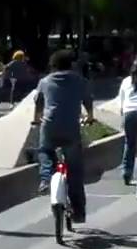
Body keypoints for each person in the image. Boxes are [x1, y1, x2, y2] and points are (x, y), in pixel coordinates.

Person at [32, 50, 94, 221]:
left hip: (49, 126)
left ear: (53, 65)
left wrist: (36, 120)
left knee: (44, 150)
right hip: (71, 129)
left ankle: (45, 179)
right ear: (71, 65)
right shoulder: (80, 81)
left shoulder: (44, 81)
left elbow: (38, 102)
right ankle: (79, 212)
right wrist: (90, 115)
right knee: (75, 171)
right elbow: (87, 100)